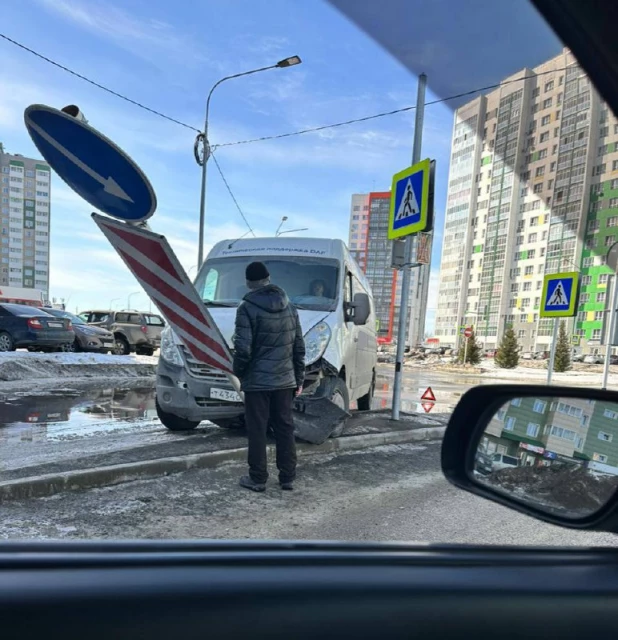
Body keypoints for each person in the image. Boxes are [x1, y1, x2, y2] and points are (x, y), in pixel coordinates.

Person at [233, 261, 305, 492]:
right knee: (285, 427)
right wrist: (299, 379)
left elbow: (243, 349)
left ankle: (258, 478)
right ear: (269, 278)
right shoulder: (290, 307)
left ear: (248, 283)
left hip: (257, 382)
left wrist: (239, 372)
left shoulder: (246, 307)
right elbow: (299, 347)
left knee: (257, 429)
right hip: (285, 380)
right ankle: (287, 477)